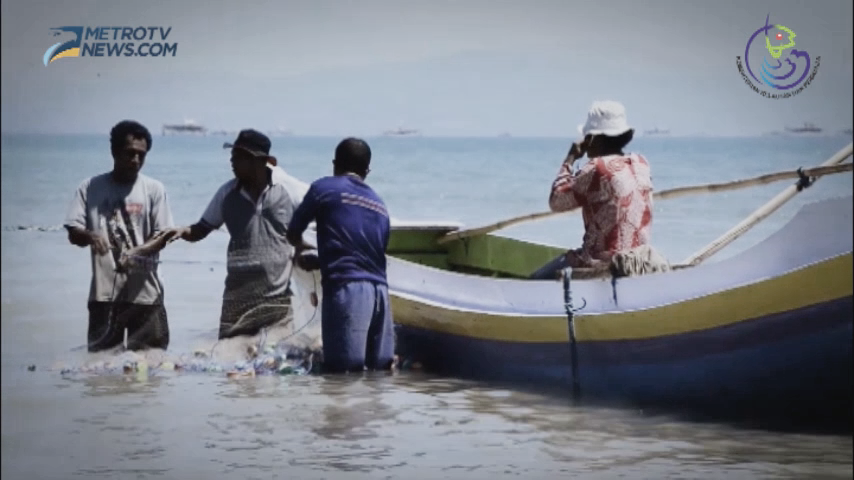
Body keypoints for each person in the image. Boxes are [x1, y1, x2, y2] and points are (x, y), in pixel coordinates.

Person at [164, 129, 305, 339]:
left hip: (277, 299)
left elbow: (316, 218)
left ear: (259, 161)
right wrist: (181, 231)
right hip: (236, 299)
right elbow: (201, 229)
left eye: (238, 157)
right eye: (233, 156)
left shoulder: (287, 190)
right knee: (231, 364)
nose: (232, 161)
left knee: (277, 364)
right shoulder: (227, 194)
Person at [63, 120, 175, 352]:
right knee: (101, 371)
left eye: (141, 155)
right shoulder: (90, 187)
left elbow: (164, 235)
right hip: (104, 296)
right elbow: (73, 232)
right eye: (130, 153)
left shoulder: (154, 189)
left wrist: (137, 252)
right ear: (114, 151)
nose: (135, 160)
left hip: (146, 295)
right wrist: (91, 236)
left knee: (150, 369)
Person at [286, 137, 394, 373]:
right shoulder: (380, 204)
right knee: (380, 373)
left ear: (334, 164)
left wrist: (301, 250)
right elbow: (367, 254)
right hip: (381, 295)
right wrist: (321, 261)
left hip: (346, 292)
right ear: (367, 171)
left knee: (342, 375)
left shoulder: (324, 188)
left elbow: (293, 231)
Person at [531, 100, 662, 279]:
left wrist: (570, 158)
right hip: (639, 261)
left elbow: (556, 201)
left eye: (587, 137)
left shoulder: (597, 168)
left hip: (605, 264)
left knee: (535, 280)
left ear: (594, 138)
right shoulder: (641, 163)